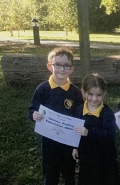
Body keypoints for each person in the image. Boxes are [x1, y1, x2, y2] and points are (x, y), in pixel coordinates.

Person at [28, 47, 82, 185]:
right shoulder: (42, 89)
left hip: (68, 143)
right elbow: (32, 109)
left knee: (69, 175)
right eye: (57, 65)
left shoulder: (75, 93)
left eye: (66, 65)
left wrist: (76, 144)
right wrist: (34, 115)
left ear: (71, 69)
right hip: (48, 142)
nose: (62, 69)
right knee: (50, 175)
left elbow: (80, 117)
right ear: (49, 66)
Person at [72, 73, 120, 185]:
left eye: (98, 95)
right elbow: (74, 131)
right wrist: (75, 147)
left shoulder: (107, 113)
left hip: (105, 158)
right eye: (90, 94)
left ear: (104, 94)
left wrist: (89, 133)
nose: (94, 98)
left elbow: (109, 135)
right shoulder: (79, 111)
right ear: (83, 92)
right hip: (86, 156)